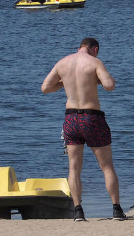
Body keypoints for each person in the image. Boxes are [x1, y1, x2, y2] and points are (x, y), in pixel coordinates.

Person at [41, 38, 126, 222]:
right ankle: (117, 210)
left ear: (79, 47)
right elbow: (110, 85)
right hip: (92, 117)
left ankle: (78, 210)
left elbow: (45, 88)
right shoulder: (94, 62)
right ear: (95, 49)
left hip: (71, 118)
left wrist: (64, 83)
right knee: (106, 166)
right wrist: (101, 80)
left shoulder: (62, 63)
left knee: (74, 167)